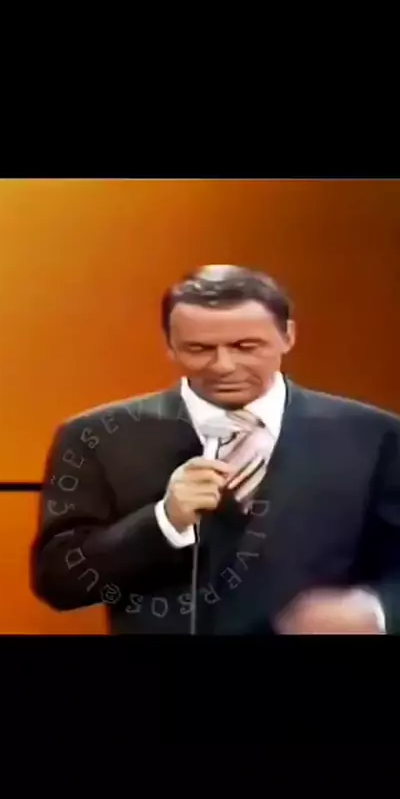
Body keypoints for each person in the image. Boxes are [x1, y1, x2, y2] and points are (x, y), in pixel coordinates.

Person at [30, 264, 400, 634]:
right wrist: (164, 521)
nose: (223, 366)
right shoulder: (97, 437)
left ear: (288, 336)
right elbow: (60, 581)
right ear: (170, 345)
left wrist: (375, 610)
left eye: (245, 347)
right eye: (199, 349)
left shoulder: (375, 436)